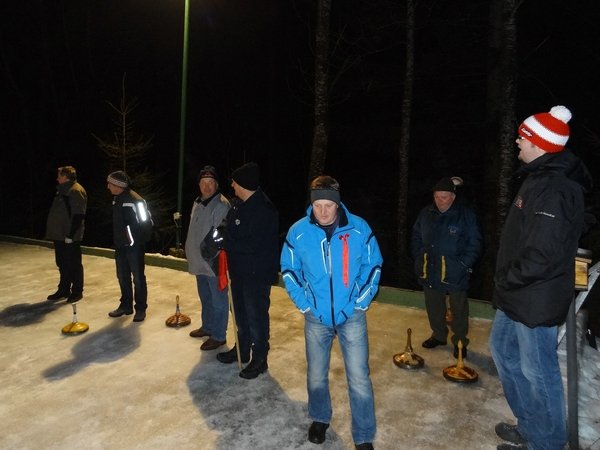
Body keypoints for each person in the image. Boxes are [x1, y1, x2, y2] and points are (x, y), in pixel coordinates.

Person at [489, 106, 593, 450]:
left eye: (523, 137)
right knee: (503, 352)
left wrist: (506, 279)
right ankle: (531, 426)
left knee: (538, 370)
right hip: (518, 292)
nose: (518, 141)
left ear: (539, 144)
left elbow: (542, 255)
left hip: (534, 295)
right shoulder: (538, 177)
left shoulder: (555, 188)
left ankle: (546, 442)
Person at [281, 175, 383, 450]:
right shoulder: (298, 232)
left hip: (352, 315)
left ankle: (363, 435)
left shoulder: (359, 229)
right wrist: (305, 304)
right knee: (316, 373)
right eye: (318, 205)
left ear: (338, 204)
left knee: (359, 377)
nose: (323, 212)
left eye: (329, 205)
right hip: (316, 316)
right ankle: (320, 417)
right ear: (311, 204)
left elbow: (373, 266)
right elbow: (289, 270)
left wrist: (360, 302)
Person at [215, 162, 279, 380]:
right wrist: (221, 233)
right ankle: (242, 349)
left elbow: (255, 245)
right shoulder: (238, 204)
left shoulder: (264, 210)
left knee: (256, 316)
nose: (232, 185)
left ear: (243, 184)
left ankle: (260, 358)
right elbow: (229, 227)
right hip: (239, 272)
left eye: (234, 182)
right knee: (239, 313)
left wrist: (226, 243)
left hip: (256, 275)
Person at [411, 177, 482, 358]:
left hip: (456, 269)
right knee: (433, 304)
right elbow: (416, 236)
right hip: (430, 267)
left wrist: (463, 264)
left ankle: (460, 342)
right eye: (436, 197)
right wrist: (419, 256)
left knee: (458, 308)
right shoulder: (426, 213)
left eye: (444, 197)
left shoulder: (465, 215)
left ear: (453, 197)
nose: (440, 201)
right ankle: (438, 335)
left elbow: (475, 243)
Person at [185, 165, 231, 351]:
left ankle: (218, 335)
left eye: (210, 182)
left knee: (218, 300)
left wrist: (208, 254)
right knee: (205, 297)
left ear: (217, 184)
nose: (207, 186)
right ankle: (208, 326)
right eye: (203, 183)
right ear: (199, 185)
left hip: (213, 262)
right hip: (198, 262)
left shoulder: (221, 204)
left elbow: (219, 235)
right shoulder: (198, 202)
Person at [106, 170, 152, 323]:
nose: (108, 186)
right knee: (122, 276)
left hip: (134, 247)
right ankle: (126, 306)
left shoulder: (136, 200)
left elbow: (146, 221)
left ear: (118, 185)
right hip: (120, 246)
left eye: (110, 183)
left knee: (138, 278)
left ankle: (141, 308)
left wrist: (137, 241)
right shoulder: (116, 199)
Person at [45, 166, 87, 303]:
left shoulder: (75, 190)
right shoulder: (62, 190)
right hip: (59, 234)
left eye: (59, 175)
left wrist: (70, 235)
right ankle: (63, 289)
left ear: (65, 177)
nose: (57, 178)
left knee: (73, 264)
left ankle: (77, 291)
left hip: (69, 236)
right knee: (62, 263)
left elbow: (78, 215)